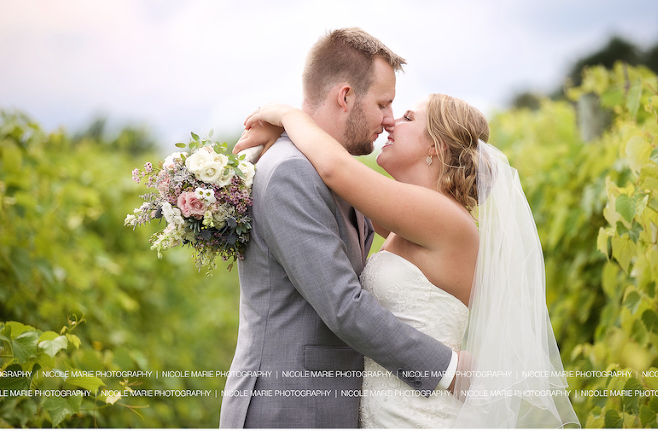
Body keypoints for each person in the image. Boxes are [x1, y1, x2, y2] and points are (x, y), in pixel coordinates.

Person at [236, 93, 581, 428]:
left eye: (408, 118)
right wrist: (283, 139)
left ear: (437, 145)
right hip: (392, 409)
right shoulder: (413, 217)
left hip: (417, 415)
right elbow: (333, 189)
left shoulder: (441, 216)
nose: (390, 123)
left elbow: (335, 170)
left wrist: (286, 116)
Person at [218, 28, 458, 429]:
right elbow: (344, 306)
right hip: (287, 410)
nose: (388, 120)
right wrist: (447, 369)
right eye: (383, 103)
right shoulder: (291, 172)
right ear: (345, 96)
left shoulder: (339, 173)